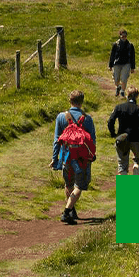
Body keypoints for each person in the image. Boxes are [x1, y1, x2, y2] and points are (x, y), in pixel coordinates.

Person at [51, 90, 96, 224]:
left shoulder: (61, 117)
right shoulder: (87, 119)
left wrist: (55, 157)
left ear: (70, 101)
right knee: (79, 185)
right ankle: (67, 211)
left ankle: (71, 209)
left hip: (66, 156)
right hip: (81, 158)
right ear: (82, 102)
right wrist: (92, 155)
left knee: (68, 184)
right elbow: (92, 140)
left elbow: (57, 139)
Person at [107, 86, 139, 175]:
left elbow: (110, 121)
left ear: (127, 95)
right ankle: (135, 175)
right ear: (137, 96)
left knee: (122, 165)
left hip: (122, 138)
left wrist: (113, 134)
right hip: (137, 139)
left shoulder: (119, 107)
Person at [108, 29, 136, 98]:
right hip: (117, 63)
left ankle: (122, 91)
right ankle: (118, 87)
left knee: (124, 78)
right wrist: (110, 65)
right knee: (116, 78)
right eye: (122, 36)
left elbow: (132, 56)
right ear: (120, 36)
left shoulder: (130, 45)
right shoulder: (115, 44)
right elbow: (112, 55)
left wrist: (132, 67)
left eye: (125, 36)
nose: (124, 37)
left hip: (126, 64)